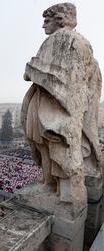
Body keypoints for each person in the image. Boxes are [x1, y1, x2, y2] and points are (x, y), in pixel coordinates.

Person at [21, 3, 102, 204]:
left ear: (60, 19)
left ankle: (56, 188)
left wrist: (30, 70)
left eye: (46, 21)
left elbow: (35, 72)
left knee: (51, 144)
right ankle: (56, 186)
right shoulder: (85, 44)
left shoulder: (60, 39)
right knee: (49, 146)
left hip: (54, 106)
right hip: (64, 106)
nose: (43, 26)